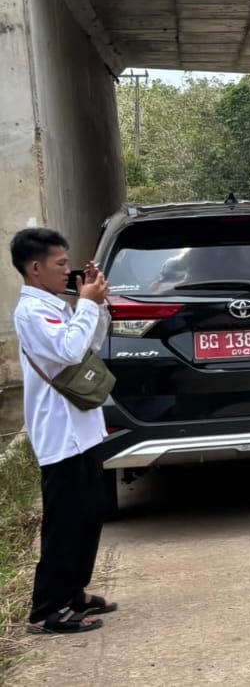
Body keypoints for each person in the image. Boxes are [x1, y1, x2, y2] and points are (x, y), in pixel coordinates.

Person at [11, 228, 116, 634]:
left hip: (84, 429)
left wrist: (96, 303)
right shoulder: (31, 313)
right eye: (59, 264)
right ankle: (47, 610)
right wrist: (86, 304)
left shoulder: (57, 304)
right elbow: (68, 351)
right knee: (64, 523)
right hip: (59, 435)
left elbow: (89, 343)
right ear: (35, 268)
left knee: (89, 516)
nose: (65, 271)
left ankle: (74, 591)